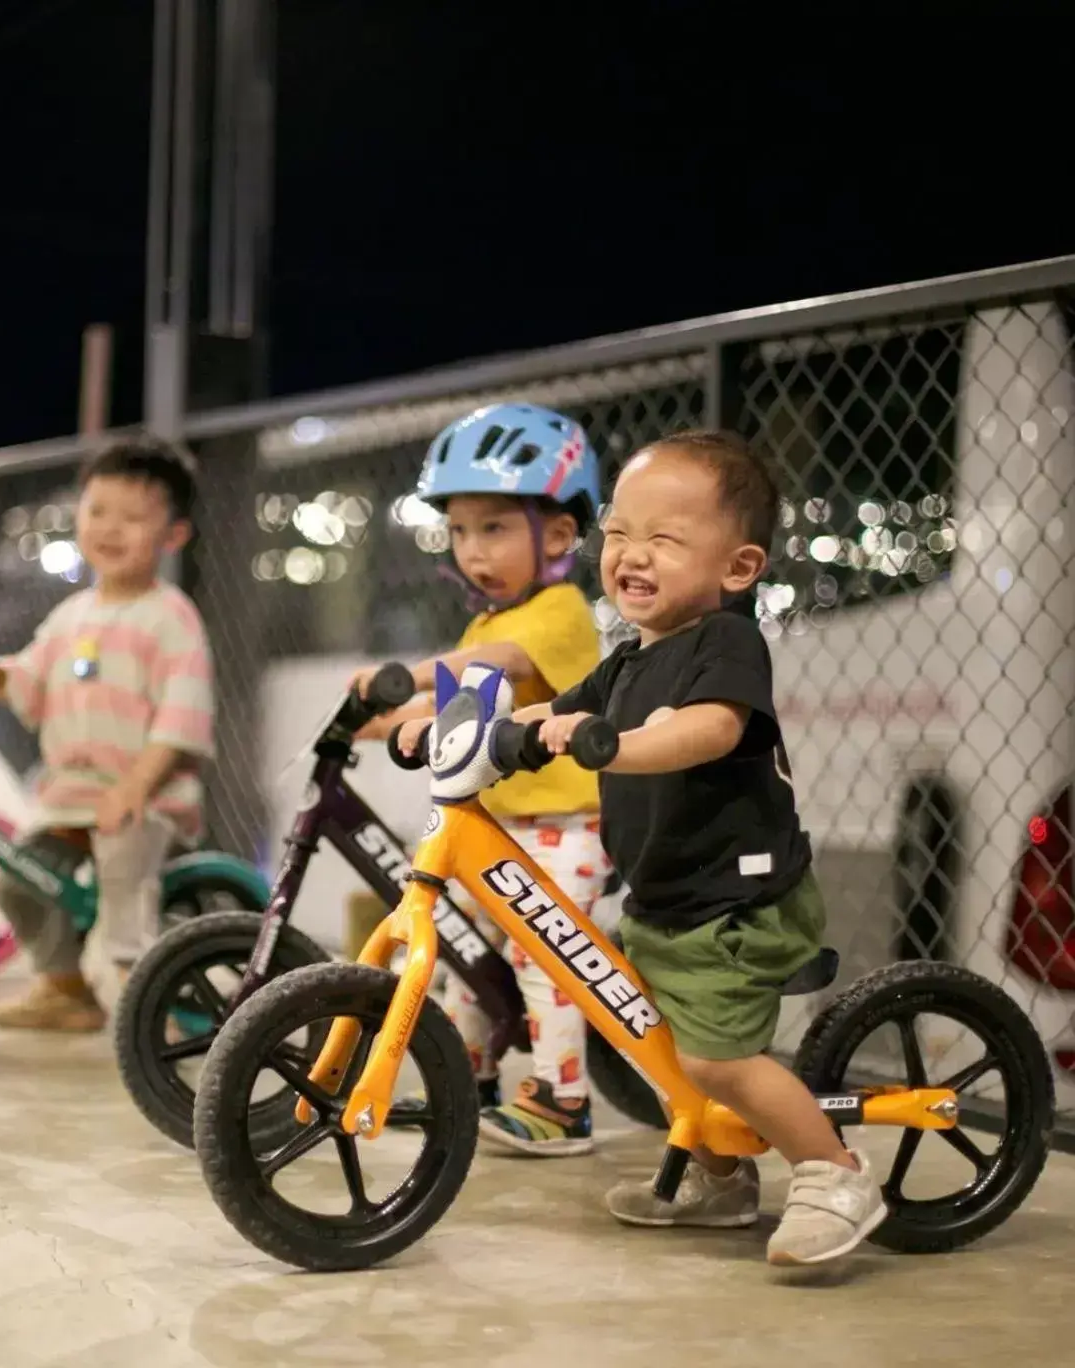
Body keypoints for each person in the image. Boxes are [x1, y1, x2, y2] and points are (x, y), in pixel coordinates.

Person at [525, 428, 885, 1265]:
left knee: (717, 1059)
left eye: (663, 539)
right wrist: (471, 732)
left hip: (741, 902)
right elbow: (549, 712)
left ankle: (834, 1174)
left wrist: (609, 744)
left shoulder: (724, 644)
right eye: (617, 533)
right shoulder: (624, 663)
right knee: (644, 1028)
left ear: (738, 568)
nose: (630, 555)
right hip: (667, 899)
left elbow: (712, 730)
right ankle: (721, 1176)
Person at [353, 402, 611, 1156]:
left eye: (494, 527)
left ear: (558, 535)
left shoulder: (558, 613)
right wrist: (375, 722)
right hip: (498, 828)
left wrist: (406, 680)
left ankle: (565, 1102)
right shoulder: (485, 622)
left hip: (569, 826)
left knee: (545, 954)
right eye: (460, 530)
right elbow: (456, 695)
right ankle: (466, 1079)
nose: (472, 549)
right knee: (460, 949)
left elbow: (494, 668)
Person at [0, 439, 214, 1032]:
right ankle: (65, 986)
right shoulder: (72, 616)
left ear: (173, 536)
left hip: (142, 797)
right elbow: (27, 672)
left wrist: (134, 787)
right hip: (71, 798)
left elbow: (182, 717)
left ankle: (142, 1003)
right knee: (17, 878)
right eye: (97, 510)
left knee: (125, 884)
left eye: (132, 517)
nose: (109, 528)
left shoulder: (170, 616)